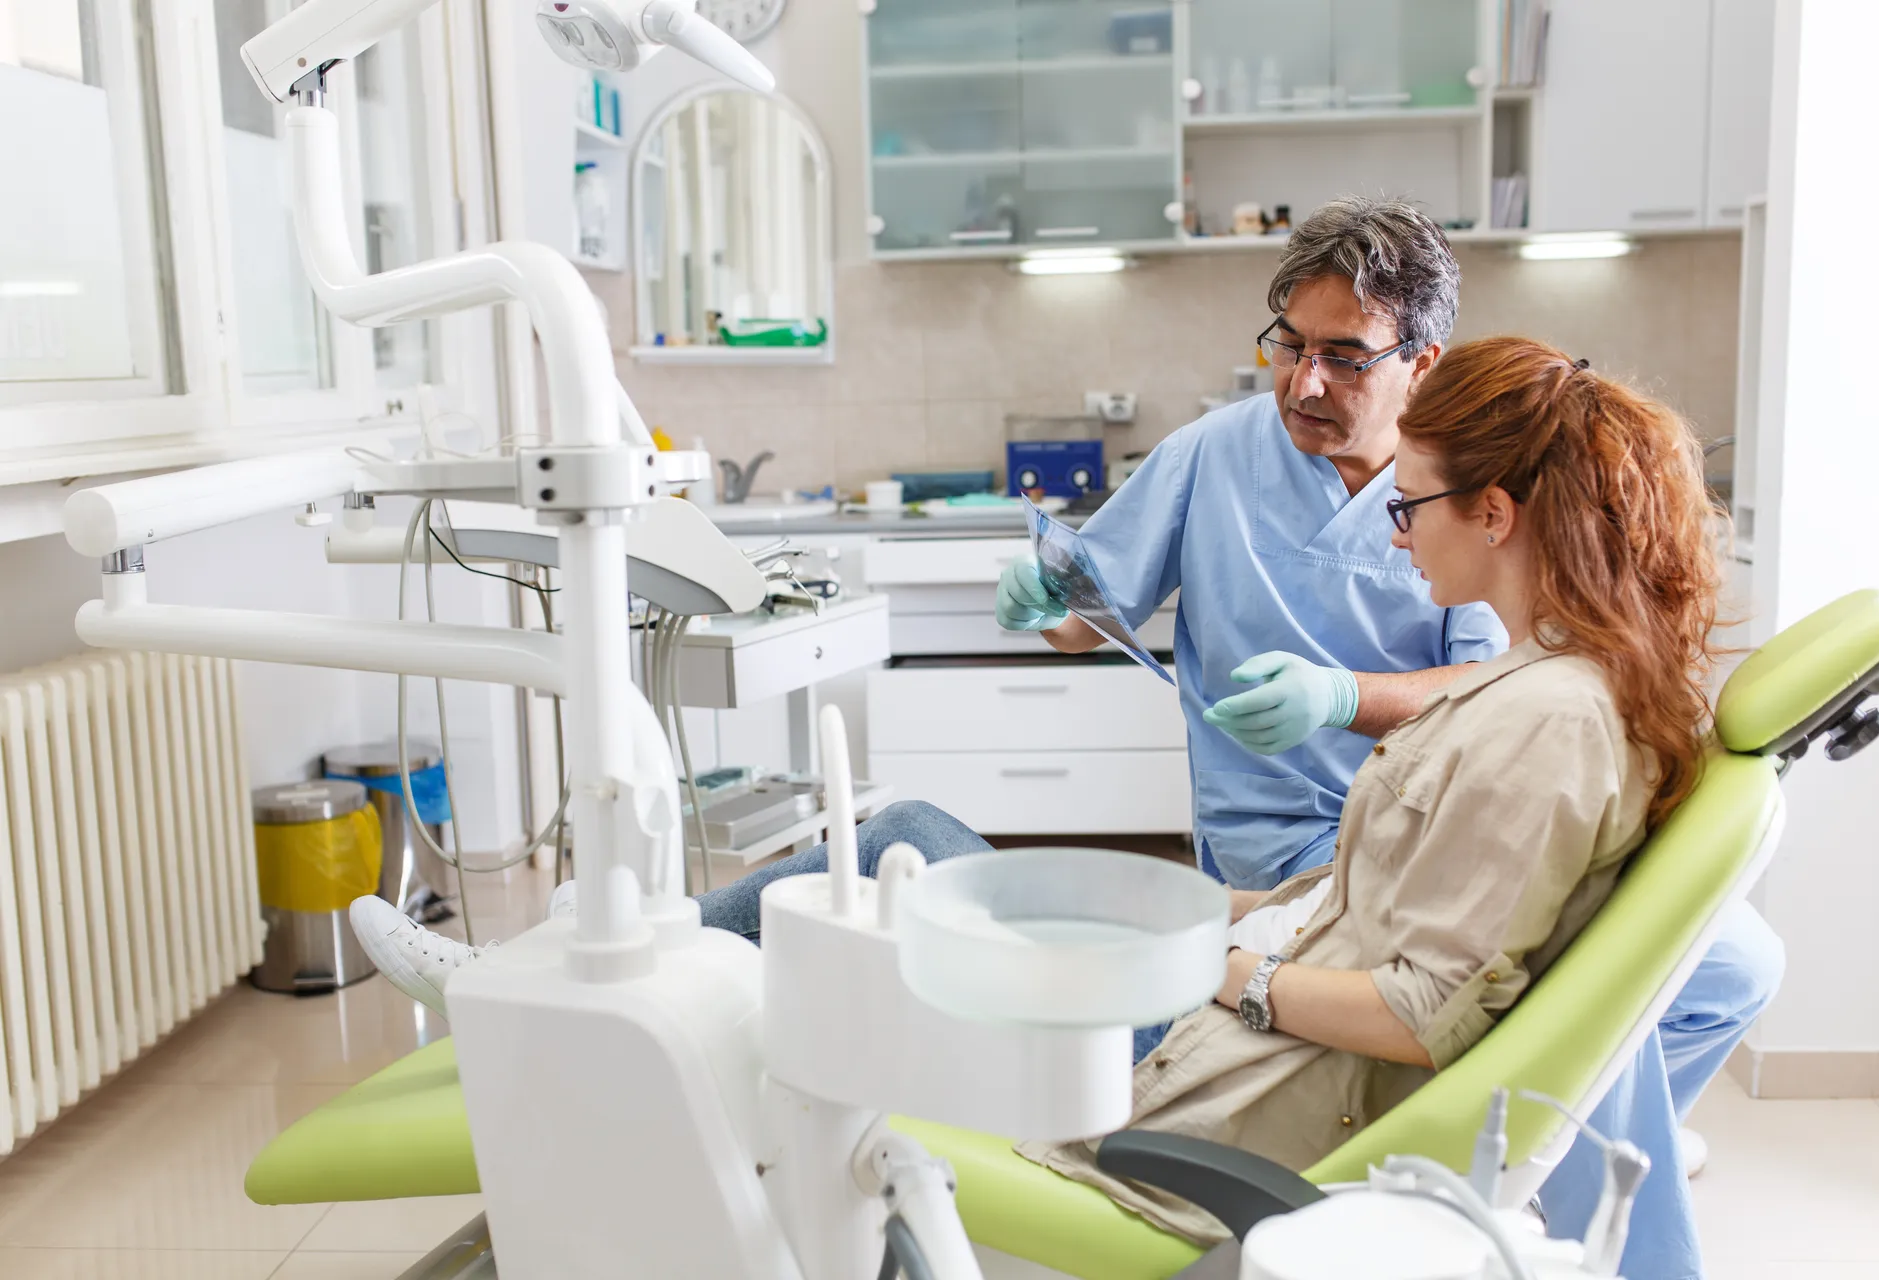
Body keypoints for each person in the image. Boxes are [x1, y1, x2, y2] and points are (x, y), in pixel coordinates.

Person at [353, 199, 1779, 1280]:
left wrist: (1334, 720)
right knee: (910, 850)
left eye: (1347, 361)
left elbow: (1424, 990)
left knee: (890, 885)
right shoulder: (1496, 623)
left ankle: (602, 1019)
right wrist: (1058, 599)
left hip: (1321, 944)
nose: (1306, 386)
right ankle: (570, 992)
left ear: (1431, 381)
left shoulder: (1531, 692)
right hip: (1308, 894)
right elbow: (1082, 615)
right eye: (1288, 347)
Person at [1021, 334, 1724, 1244]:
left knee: (890, 882)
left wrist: (1216, 967)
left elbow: (1425, 1008)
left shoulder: (1551, 722)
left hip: (1254, 1061)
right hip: (1274, 968)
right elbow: (1372, 904)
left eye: (1409, 506)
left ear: (1496, 516)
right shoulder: (1539, 679)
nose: (1395, 533)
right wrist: (1189, 910)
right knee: (929, 873)